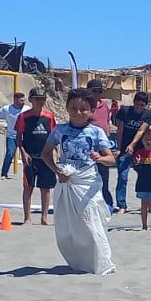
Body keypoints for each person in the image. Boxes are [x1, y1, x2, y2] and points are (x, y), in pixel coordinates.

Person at [42, 89, 117, 274]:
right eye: (73, 108)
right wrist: (57, 171)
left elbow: (111, 159)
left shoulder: (96, 132)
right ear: (67, 108)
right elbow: (46, 153)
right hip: (67, 183)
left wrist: (99, 158)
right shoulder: (59, 130)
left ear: (91, 111)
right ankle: (79, 260)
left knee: (91, 222)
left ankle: (101, 260)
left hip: (88, 183)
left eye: (83, 109)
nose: (78, 112)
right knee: (71, 225)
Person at [14, 88, 57, 225]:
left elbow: (54, 136)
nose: (40, 101)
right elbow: (18, 137)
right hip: (30, 157)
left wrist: (58, 151)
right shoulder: (23, 117)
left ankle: (44, 218)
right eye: (37, 98)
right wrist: (23, 152)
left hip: (46, 158)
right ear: (31, 100)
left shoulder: (49, 116)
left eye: (42, 98)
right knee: (28, 187)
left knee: (46, 188)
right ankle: (27, 218)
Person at [112, 91, 151, 213]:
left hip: (141, 149)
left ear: (145, 105)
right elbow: (120, 129)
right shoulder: (125, 111)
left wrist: (132, 144)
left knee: (146, 176)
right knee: (122, 177)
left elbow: (141, 131)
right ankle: (122, 205)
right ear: (133, 102)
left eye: (141, 105)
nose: (138, 107)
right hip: (124, 150)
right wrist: (118, 147)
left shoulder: (148, 115)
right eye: (137, 104)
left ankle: (148, 203)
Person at [86, 80, 118, 211]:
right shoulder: (84, 106)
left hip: (104, 145)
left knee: (104, 177)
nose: (98, 94)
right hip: (89, 145)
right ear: (88, 91)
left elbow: (107, 123)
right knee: (89, 177)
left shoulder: (104, 105)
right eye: (95, 91)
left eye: (100, 91)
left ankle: (107, 204)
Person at [0, 90, 28, 179]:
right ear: (15, 100)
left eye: (23, 100)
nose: (23, 102)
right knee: (10, 154)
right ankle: (4, 173)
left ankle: (28, 175)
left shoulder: (26, 109)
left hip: (24, 137)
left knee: (27, 156)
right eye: (21, 100)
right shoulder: (7, 109)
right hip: (11, 136)